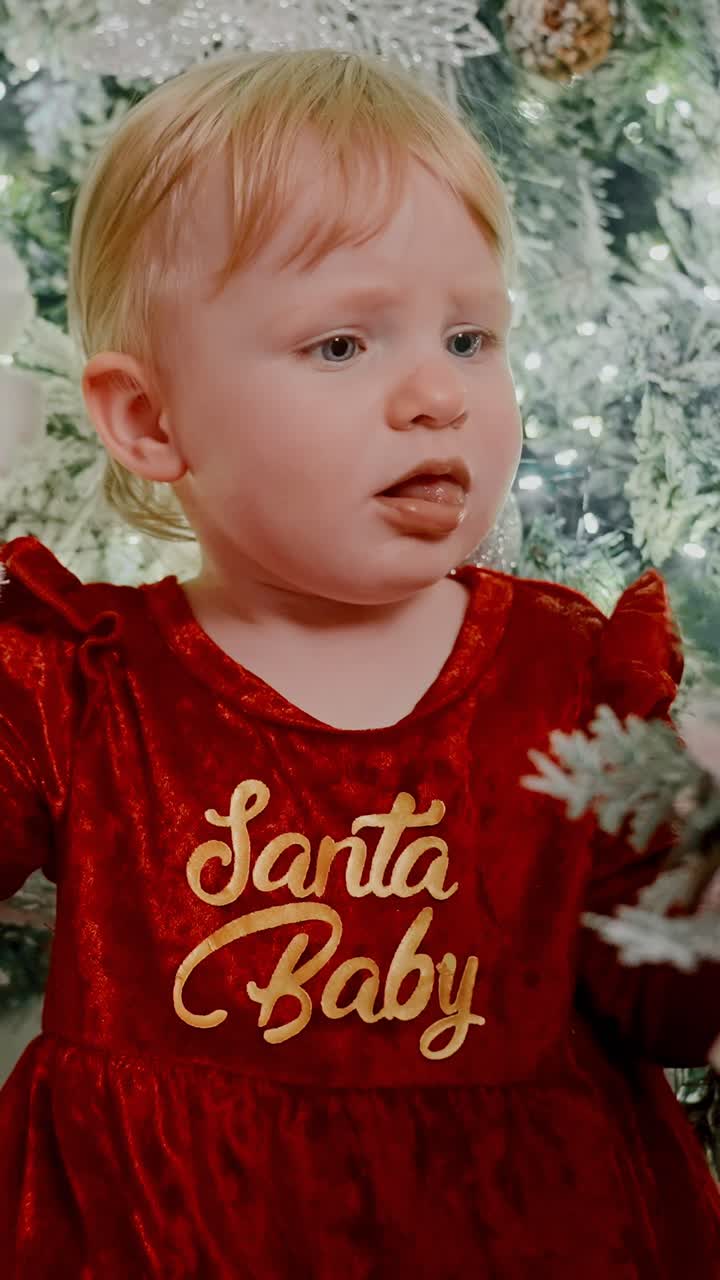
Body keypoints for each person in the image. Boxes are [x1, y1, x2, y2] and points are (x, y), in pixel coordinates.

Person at [0, 47, 717, 1279]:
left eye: (472, 336)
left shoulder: (566, 674)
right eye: (341, 344)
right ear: (152, 420)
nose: (439, 394)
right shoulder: (84, 684)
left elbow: (664, 1003)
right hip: (168, 1236)